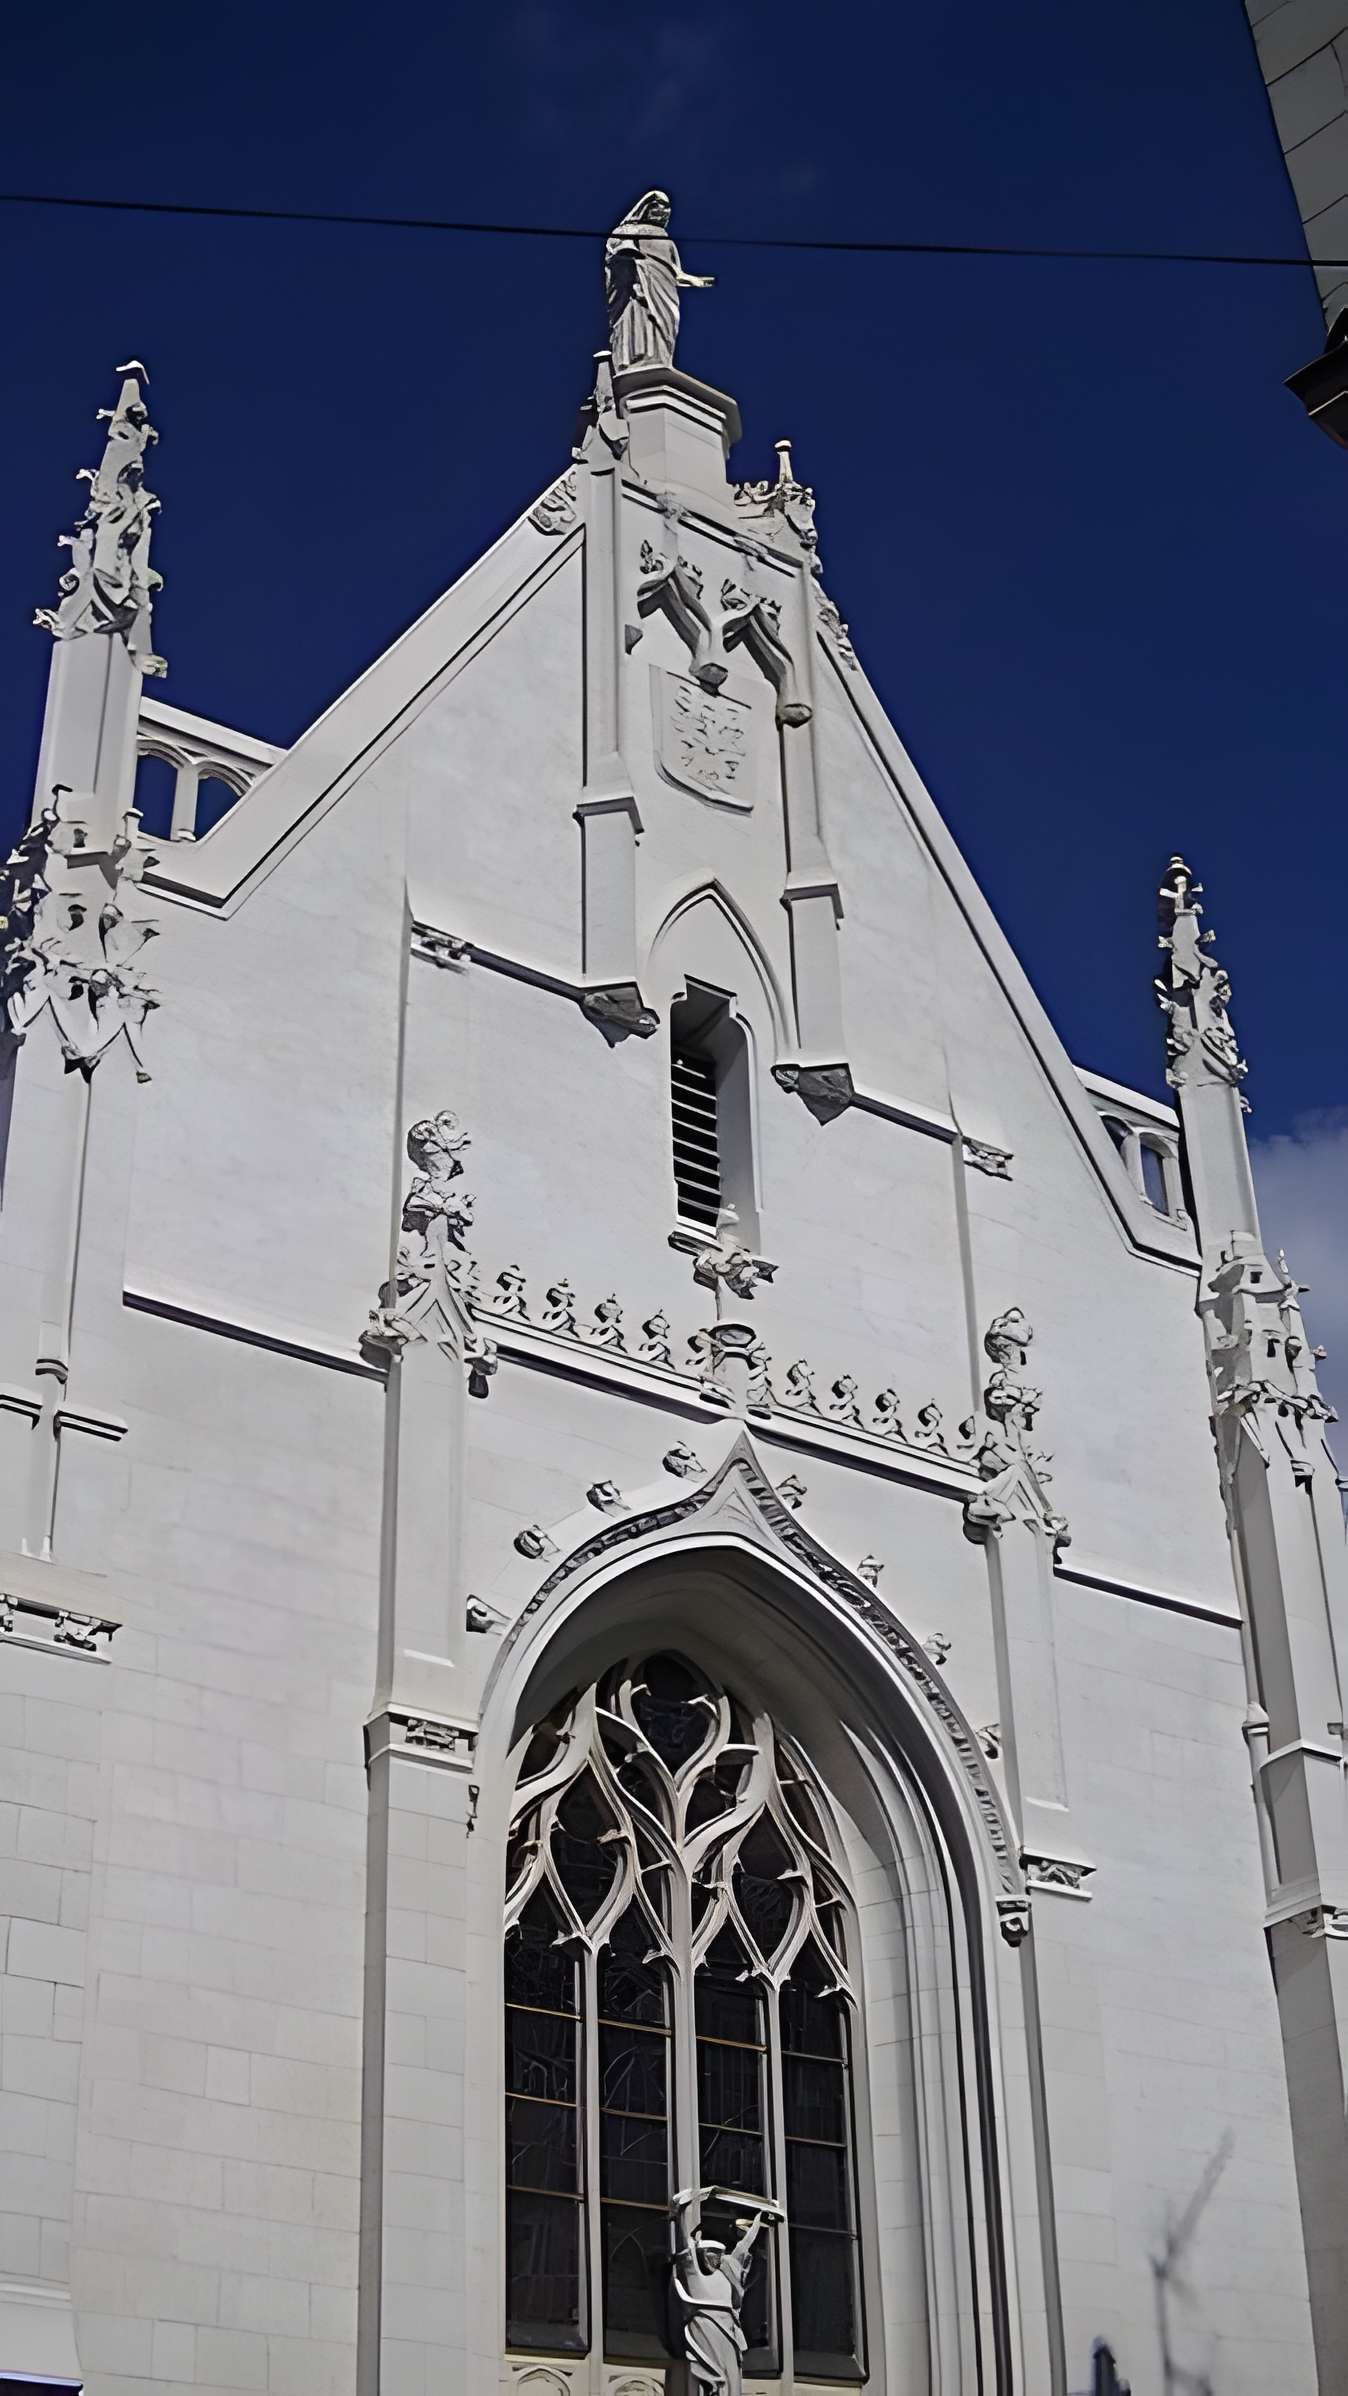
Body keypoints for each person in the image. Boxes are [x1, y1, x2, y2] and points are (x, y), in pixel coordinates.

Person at [604, 191, 714, 373]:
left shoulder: (666, 239)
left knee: (666, 323)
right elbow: (616, 250)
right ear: (645, 207)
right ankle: (637, 360)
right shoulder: (629, 230)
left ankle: (661, 360)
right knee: (640, 318)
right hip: (638, 289)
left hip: (665, 291)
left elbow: (675, 272)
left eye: (667, 207)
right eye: (658, 204)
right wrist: (627, 254)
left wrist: (697, 281)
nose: (663, 210)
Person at [670, 2193, 766, 2396]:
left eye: (718, 2255)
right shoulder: (696, 2275)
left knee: (731, 2381)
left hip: (728, 2332)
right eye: (711, 2254)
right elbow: (685, 2240)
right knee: (712, 2379)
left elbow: (745, 2244)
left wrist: (759, 2218)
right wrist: (681, 2211)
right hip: (706, 2329)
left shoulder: (727, 2272)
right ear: (702, 2255)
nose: (715, 2259)